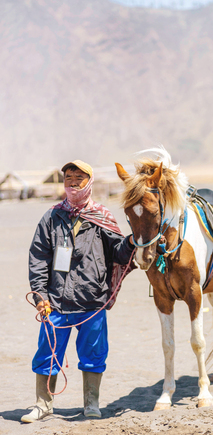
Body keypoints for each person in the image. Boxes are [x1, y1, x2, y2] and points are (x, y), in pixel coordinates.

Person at [21, 160, 135, 423]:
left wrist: (130, 242)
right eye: (68, 177)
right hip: (56, 302)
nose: (72, 181)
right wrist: (40, 295)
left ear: (90, 181)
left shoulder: (102, 217)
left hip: (91, 301)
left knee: (94, 354)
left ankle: (91, 403)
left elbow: (118, 253)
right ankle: (43, 405)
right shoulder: (52, 216)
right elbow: (38, 257)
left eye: (79, 177)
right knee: (47, 353)